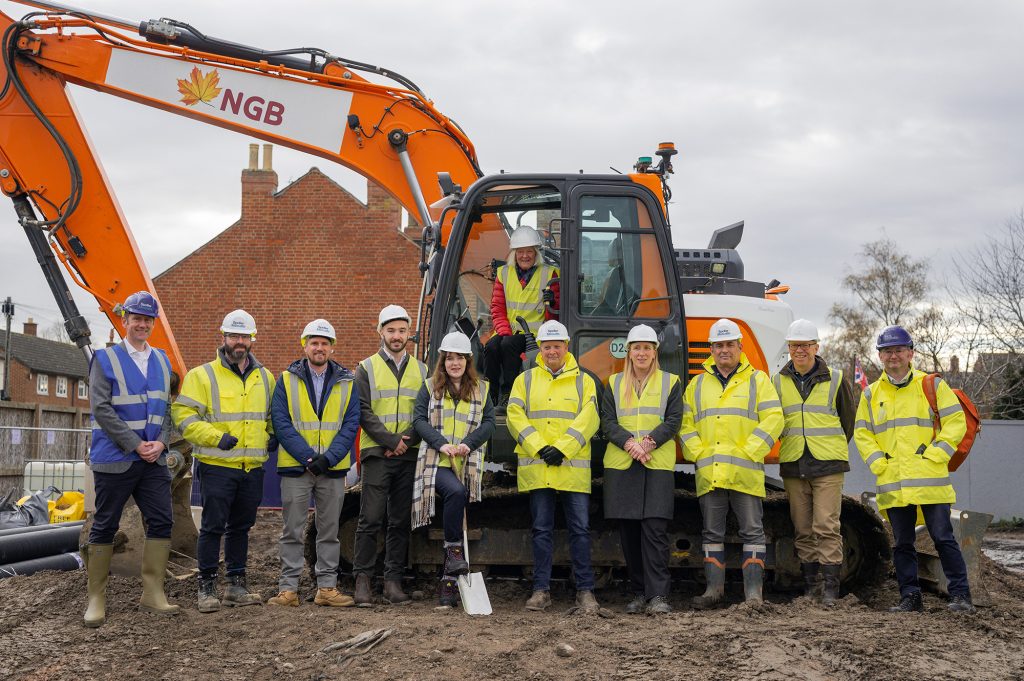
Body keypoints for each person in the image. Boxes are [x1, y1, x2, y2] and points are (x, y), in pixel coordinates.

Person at [854, 325, 974, 613]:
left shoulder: (931, 385)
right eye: (887, 351)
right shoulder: (871, 394)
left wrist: (936, 454)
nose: (893, 356)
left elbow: (956, 421)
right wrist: (877, 462)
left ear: (910, 353)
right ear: (880, 357)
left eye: (898, 350)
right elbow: (862, 432)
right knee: (902, 544)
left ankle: (961, 595)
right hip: (893, 481)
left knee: (943, 537)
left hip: (930, 479)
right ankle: (910, 597)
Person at [83, 291, 179, 628]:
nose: (141, 324)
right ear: (124, 321)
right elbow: (101, 409)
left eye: (147, 319)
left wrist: (162, 443)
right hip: (115, 457)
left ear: (152, 324)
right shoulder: (105, 359)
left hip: (152, 460)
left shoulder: (163, 360)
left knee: (162, 520)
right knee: (106, 524)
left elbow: (166, 409)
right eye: (135, 318)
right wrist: (136, 444)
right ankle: (96, 598)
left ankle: (152, 593)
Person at [172, 309, 275, 613]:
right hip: (217, 465)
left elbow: (270, 416)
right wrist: (216, 437)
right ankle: (206, 586)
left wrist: (271, 435)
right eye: (234, 336)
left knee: (241, 528)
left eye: (244, 336)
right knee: (213, 527)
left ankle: (236, 585)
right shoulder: (201, 375)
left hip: (251, 467)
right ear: (224, 337)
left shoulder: (265, 377)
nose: (239, 342)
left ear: (252, 339)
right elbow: (183, 417)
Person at [679, 318, 784, 607]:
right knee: (711, 533)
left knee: (752, 532)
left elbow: (774, 418)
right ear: (710, 349)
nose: (724, 350)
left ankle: (753, 594)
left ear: (740, 346)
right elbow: (685, 424)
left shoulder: (757, 380)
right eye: (718, 345)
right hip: (710, 471)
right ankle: (714, 591)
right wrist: (698, 452)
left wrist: (751, 451)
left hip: (745, 472)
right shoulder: (697, 384)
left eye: (729, 344)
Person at [506, 320, 601, 613]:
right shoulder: (526, 380)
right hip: (540, 467)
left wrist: (562, 448)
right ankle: (541, 591)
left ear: (566, 347)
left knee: (580, 531)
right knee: (541, 530)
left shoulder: (584, 380)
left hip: (570, 467)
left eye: (556, 346)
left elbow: (590, 418)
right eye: (547, 347)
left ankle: (585, 592)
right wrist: (539, 447)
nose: (551, 351)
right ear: (541, 350)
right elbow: (514, 415)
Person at [267, 319, 359, 608]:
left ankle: (327, 588)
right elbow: (281, 422)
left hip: (332, 469)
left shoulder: (347, 381)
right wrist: (308, 458)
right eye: (314, 342)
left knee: (329, 531)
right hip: (297, 467)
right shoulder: (285, 379)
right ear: (305, 345)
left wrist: (329, 459)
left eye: (324, 343)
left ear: (332, 347)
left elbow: (351, 422)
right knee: (291, 530)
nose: (319, 348)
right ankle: (288, 590)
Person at [600, 324, 682, 615]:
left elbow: (674, 420)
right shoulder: (613, 383)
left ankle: (658, 595)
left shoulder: (671, 382)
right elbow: (607, 421)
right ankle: (638, 592)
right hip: (623, 464)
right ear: (629, 352)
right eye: (637, 348)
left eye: (647, 348)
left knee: (655, 531)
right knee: (630, 533)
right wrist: (630, 444)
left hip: (656, 463)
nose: (642, 353)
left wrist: (647, 443)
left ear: (654, 352)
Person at [772, 319, 855, 607]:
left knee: (826, 526)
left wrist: (830, 448)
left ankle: (831, 589)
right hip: (794, 464)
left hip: (827, 465)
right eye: (795, 345)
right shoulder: (777, 381)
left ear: (816, 347)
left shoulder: (835, 378)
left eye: (806, 345)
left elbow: (848, 422)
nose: (800, 351)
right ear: (789, 348)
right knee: (803, 529)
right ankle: (811, 586)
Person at [411, 331, 496, 607]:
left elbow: (489, 423)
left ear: (467, 361)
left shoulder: (481, 389)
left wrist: (468, 445)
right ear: (443, 361)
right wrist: (442, 444)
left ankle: (448, 586)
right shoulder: (429, 387)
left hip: (465, 459)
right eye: (449, 358)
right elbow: (419, 420)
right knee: (456, 492)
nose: (455, 363)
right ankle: (454, 550)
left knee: (458, 493)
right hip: (435, 461)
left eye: (459, 357)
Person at [352, 304, 427, 606]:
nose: (397, 336)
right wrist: (389, 440)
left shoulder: (422, 370)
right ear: (380, 331)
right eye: (391, 330)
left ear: (409, 333)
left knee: (399, 520)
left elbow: (424, 412)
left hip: (408, 455)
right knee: (370, 518)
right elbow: (363, 411)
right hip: (377, 453)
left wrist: (403, 443)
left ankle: (393, 583)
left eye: (402, 330)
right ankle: (362, 582)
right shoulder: (365, 367)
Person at [483, 225, 559, 407]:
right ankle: (491, 394)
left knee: (509, 345)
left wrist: (554, 300)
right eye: (520, 252)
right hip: (508, 330)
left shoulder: (550, 273)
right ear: (514, 253)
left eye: (529, 252)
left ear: (536, 253)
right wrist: (504, 330)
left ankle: (508, 393)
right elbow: (497, 307)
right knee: (491, 347)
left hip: (534, 335)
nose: (525, 256)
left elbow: (556, 312)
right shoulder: (504, 273)